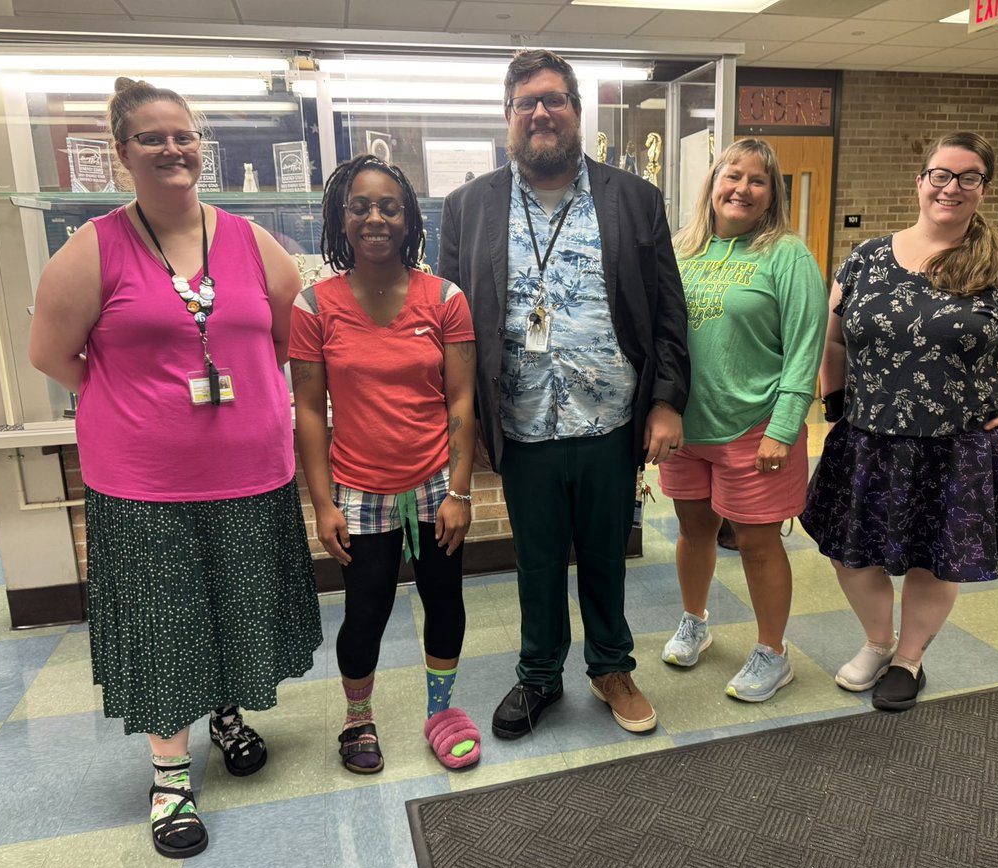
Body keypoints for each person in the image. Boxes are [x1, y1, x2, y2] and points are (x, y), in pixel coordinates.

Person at [28, 78, 322, 859]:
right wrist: (140, 406)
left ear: (202, 146)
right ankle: (169, 775)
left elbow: (287, 333)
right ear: (122, 153)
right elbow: (53, 356)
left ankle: (225, 713)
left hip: (253, 472)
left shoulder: (251, 240)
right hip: (143, 485)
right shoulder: (93, 249)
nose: (172, 149)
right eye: (152, 138)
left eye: (183, 135)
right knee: (166, 626)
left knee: (232, 607)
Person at [438, 49, 689, 739]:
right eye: (527, 103)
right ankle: (539, 674)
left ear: (577, 112)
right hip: (521, 421)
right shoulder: (467, 208)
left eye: (555, 100)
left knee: (607, 552)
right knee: (539, 558)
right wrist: (464, 422)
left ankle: (611, 667)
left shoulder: (633, 198)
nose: (541, 113)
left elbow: (668, 310)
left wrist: (666, 401)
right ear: (509, 118)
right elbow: (450, 327)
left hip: (612, 419)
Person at [800, 131, 998, 712]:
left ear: (983, 189)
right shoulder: (866, 257)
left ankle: (909, 659)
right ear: (920, 181)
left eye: (968, 177)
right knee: (851, 552)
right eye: (941, 174)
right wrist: (835, 402)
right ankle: (877, 641)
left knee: (934, 556)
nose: (952, 187)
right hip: (869, 436)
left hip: (958, 445)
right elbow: (834, 338)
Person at [290, 155, 480, 774]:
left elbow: (461, 399)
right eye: (361, 206)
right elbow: (311, 413)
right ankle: (358, 719)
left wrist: (460, 491)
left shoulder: (445, 299)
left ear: (409, 218)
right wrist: (322, 505)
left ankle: (441, 711)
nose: (375, 217)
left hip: (434, 485)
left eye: (389, 206)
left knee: (443, 601)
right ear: (340, 218)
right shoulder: (314, 306)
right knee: (365, 610)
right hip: (359, 489)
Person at [656, 139, 827, 702]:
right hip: (688, 428)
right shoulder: (683, 250)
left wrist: (785, 426)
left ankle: (773, 653)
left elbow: (806, 345)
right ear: (713, 182)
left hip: (755, 425)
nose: (742, 189)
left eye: (758, 180)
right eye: (733, 176)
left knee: (757, 544)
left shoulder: (787, 254)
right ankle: (695, 620)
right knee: (693, 531)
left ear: (771, 193)